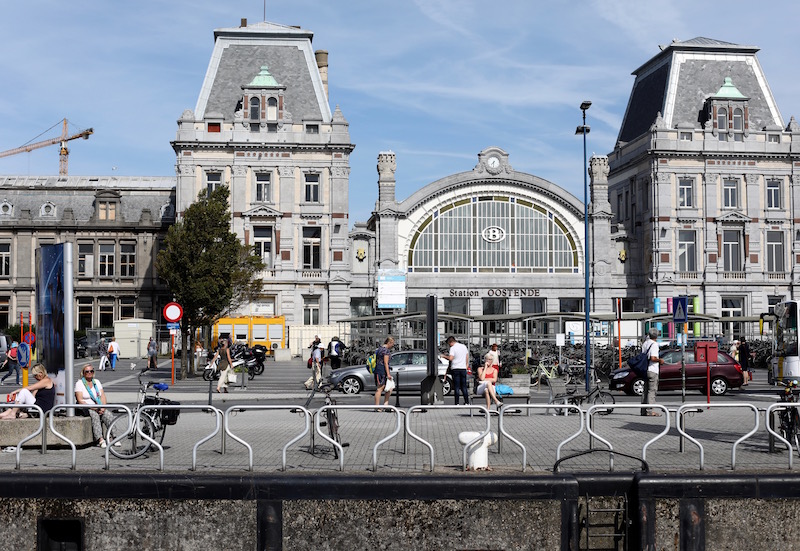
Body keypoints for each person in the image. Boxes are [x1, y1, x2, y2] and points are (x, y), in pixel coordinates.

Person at [74, 364, 118, 448]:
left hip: (98, 405)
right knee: (94, 416)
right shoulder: (79, 383)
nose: (89, 373)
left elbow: (102, 396)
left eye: (91, 371)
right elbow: (80, 400)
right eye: (87, 371)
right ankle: (100, 439)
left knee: (108, 414)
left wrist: (103, 407)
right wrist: (95, 408)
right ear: (83, 373)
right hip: (86, 407)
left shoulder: (96, 382)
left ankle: (114, 437)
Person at [441, 336, 470, 405]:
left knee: (456, 386)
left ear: (451, 342)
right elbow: (467, 356)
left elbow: (451, 358)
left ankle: (457, 403)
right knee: (464, 386)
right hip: (463, 368)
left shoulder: (453, 348)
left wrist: (444, 356)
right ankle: (467, 402)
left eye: (448, 344)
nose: (449, 345)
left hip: (456, 368)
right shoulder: (463, 346)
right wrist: (466, 365)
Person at [641, 328, 664, 416]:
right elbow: (653, 358)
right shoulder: (654, 344)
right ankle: (650, 411)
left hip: (645, 369)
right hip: (652, 370)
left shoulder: (645, 343)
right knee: (652, 390)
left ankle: (643, 410)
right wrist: (660, 360)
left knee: (645, 390)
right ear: (656, 335)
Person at [373, 337, 395, 407]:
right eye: (392, 344)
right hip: (382, 370)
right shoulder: (386, 351)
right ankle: (378, 406)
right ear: (389, 342)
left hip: (378, 369)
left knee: (388, 387)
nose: (392, 346)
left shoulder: (379, 349)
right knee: (380, 388)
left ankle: (384, 405)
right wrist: (388, 374)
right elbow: (385, 363)